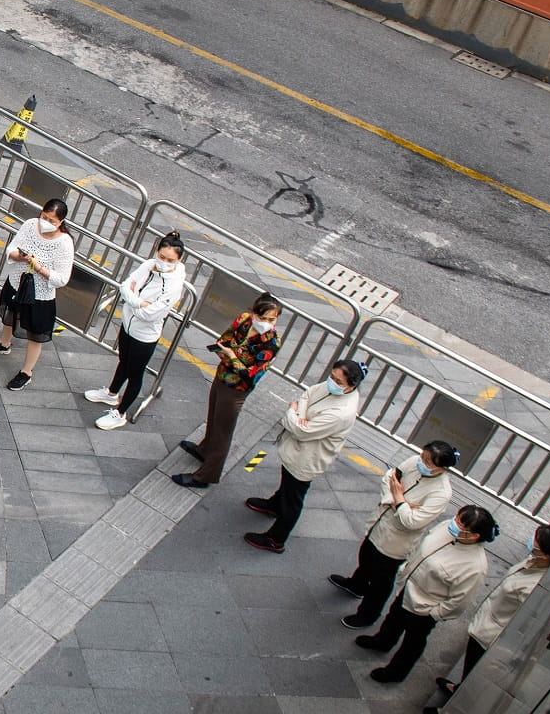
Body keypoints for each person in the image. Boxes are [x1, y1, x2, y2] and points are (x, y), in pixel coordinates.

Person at [425, 523, 550, 714]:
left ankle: (453, 711)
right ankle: (458, 690)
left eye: (535, 545)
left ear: (547, 555)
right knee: (469, 668)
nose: (531, 546)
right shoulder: (533, 561)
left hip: (492, 636)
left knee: (475, 675)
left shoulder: (537, 587)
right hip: (487, 621)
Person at [356, 505, 498, 682]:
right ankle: (382, 641)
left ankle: (396, 672)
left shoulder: (475, 566)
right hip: (408, 589)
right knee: (394, 619)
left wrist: (434, 613)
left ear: (474, 535)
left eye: (460, 523)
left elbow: (460, 600)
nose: (453, 523)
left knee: (412, 642)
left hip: (425, 608)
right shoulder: (447, 528)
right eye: (456, 518)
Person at [242, 360, 366, 554]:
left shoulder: (341, 413)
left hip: (307, 458)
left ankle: (276, 539)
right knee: (288, 484)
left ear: (352, 385)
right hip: (297, 451)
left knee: (294, 497)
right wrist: (302, 415)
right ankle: (275, 504)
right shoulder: (330, 388)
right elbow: (307, 395)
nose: (331, 382)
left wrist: (294, 412)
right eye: (332, 377)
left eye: (338, 381)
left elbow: (302, 429)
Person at [333, 441, 460, 627]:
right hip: (380, 524)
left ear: (442, 468)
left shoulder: (440, 493)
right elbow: (389, 477)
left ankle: (368, 615)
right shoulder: (414, 462)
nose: (421, 462)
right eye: (423, 456)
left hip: (396, 543)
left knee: (380, 582)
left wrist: (399, 500)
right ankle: (356, 585)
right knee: (366, 557)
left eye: (428, 462)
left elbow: (413, 521)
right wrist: (398, 501)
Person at [172, 293, 283, 489]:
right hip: (222, 375)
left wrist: (231, 355)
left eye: (271, 319)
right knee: (213, 416)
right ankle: (205, 449)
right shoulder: (244, 320)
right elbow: (223, 341)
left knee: (223, 431)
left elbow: (249, 375)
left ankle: (206, 475)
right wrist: (233, 358)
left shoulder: (271, 343)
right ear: (253, 312)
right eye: (262, 317)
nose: (266, 323)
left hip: (237, 389)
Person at [87, 232, 187, 430]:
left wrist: (132, 298)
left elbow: (150, 314)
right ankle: (112, 393)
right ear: (157, 252)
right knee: (123, 361)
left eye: (170, 260)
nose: (164, 262)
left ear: (178, 260)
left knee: (135, 373)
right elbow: (125, 285)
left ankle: (121, 413)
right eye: (162, 257)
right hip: (128, 325)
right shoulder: (149, 265)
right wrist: (138, 302)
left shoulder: (174, 285)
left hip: (145, 335)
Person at [0, 198, 75, 388]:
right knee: (10, 313)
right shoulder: (30, 225)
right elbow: (12, 248)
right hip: (17, 282)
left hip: (40, 295)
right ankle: (3, 343)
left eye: (51, 221)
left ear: (61, 222)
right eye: (44, 217)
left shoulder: (64, 243)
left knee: (35, 332)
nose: (46, 223)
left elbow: (62, 278)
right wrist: (20, 256)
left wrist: (39, 268)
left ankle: (26, 371)